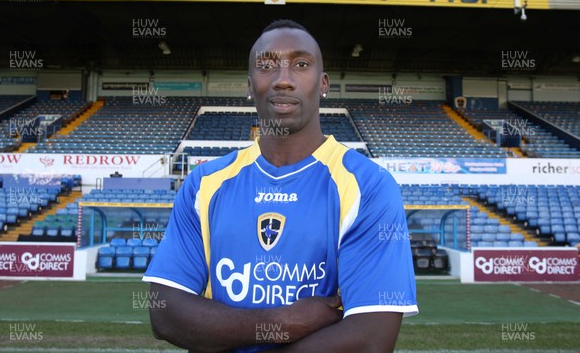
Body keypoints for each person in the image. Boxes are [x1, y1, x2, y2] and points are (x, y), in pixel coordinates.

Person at [143, 19, 418, 353]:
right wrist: (280, 324)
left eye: (301, 65)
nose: (283, 80)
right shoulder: (204, 183)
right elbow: (165, 314)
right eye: (266, 66)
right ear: (249, 84)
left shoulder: (369, 186)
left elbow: (372, 339)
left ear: (323, 84)